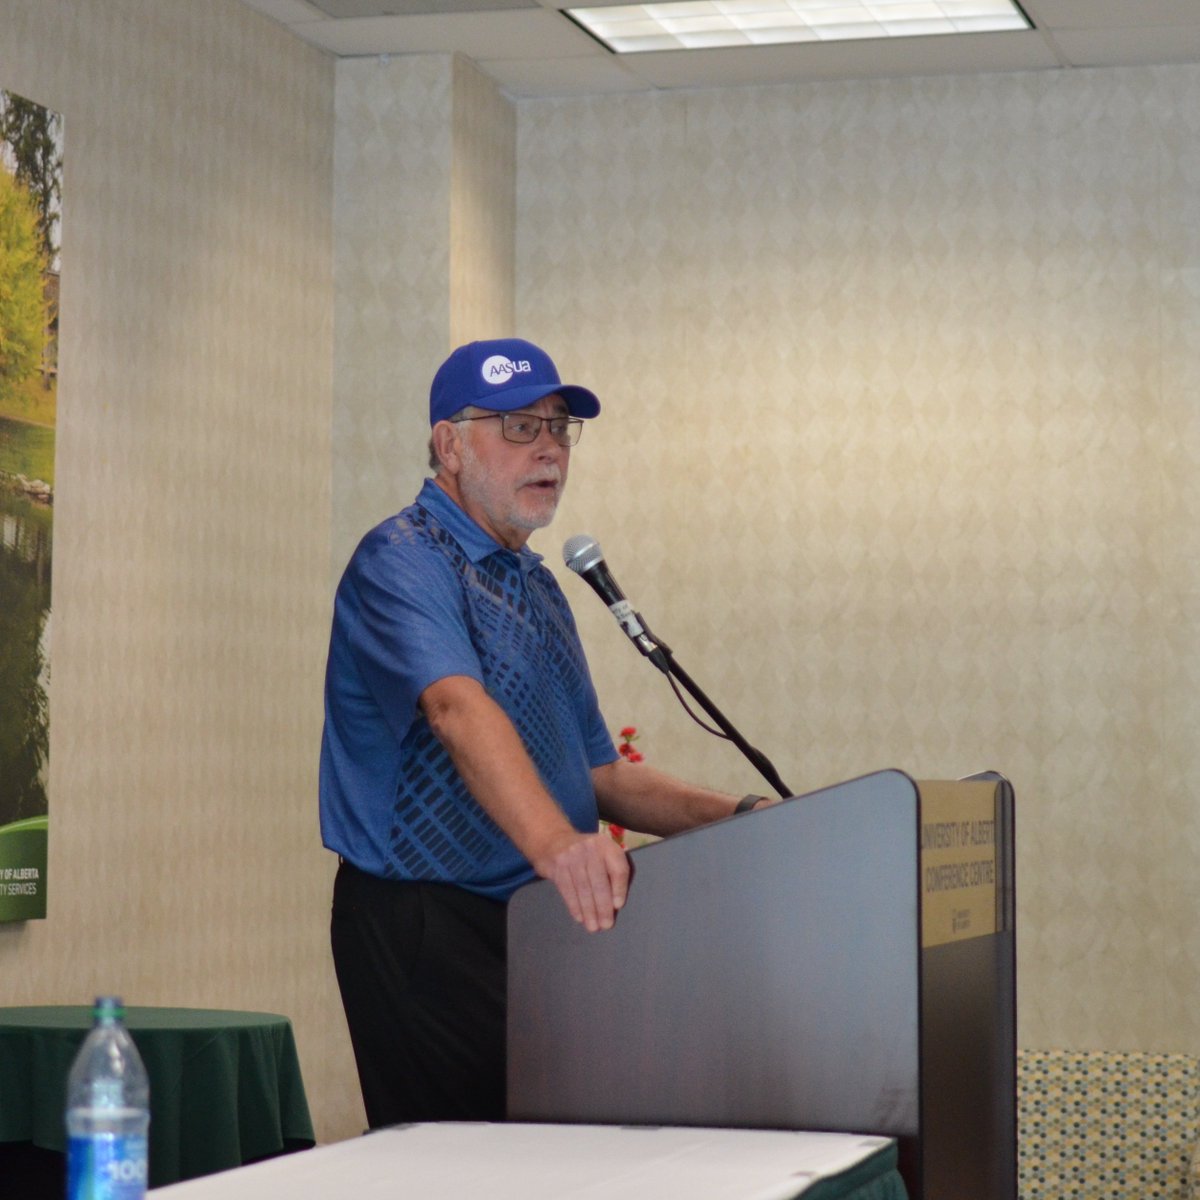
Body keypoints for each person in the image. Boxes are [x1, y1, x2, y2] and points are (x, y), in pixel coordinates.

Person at [319, 337, 771, 1129]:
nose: (549, 449)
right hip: (427, 923)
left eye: (559, 428)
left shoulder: (538, 585)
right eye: (519, 427)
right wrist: (560, 846)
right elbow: (456, 710)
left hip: (534, 924)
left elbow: (599, 772)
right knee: (466, 1175)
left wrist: (742, 819)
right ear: (449, 444)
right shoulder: (401, 560)